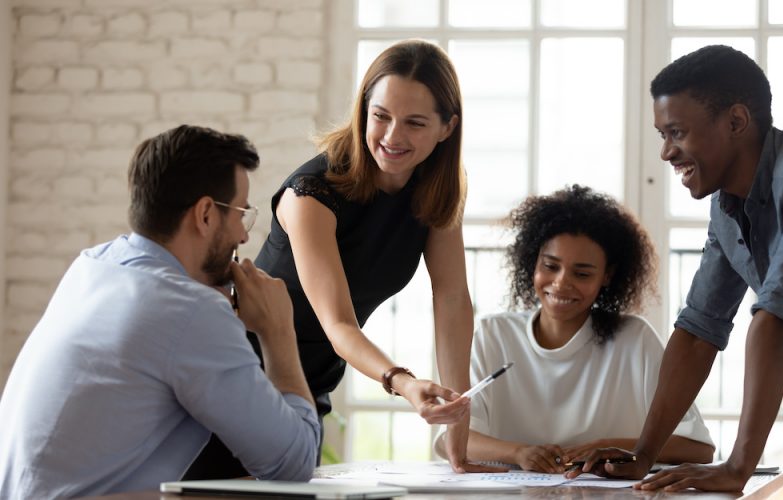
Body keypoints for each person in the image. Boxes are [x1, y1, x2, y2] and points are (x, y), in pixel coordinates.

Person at [187, 39, 483, 477]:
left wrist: (458, 439)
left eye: (415, 123)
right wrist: (403, 382)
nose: (392, 136)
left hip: (311, 381)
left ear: (447, 127)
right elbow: (339, 323)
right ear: (363, 110)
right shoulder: (311, 193)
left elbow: (453, 300)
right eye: (380, 116)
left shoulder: (436, 194)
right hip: (240, 372)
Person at [0, 125, 320, 499]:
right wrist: (277, 330)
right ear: (205, 214)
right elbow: (294, 463)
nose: (244, 236)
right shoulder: (190, 311)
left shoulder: (94, 265)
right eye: (241, 214)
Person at [569, 45, 783, 492]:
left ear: (736, 121)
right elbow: (697, 332)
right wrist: (643, 456)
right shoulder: (726, 207)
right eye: (662, 134)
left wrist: (738, 466)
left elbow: (775, 317)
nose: (665, 153)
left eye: (677, 132)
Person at [433, 185, 715, 471]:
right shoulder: (494, 335)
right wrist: (519, 453)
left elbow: (698, 448)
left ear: (607, 276)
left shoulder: (635, 339)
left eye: (581, 273)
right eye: (550, 266)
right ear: (533, 261)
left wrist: (608, 446)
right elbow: (452, 440)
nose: (561, 283)